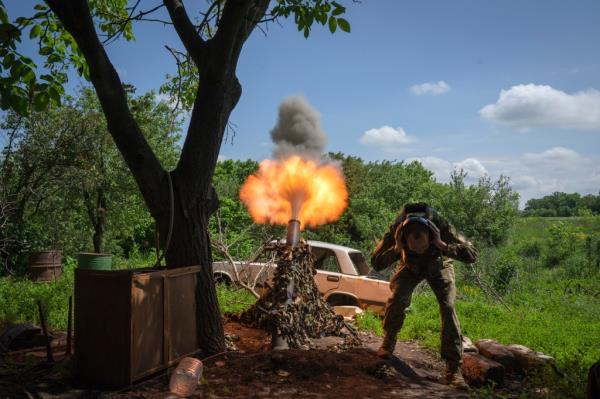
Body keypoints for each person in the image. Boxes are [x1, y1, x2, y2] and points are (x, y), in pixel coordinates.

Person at [371, 202, 478, 387]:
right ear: (404, 239)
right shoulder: (397, 228)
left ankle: (453, 369)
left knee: (448, 306)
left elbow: (472, 254)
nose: (419, 250)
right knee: (397, 298)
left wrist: (442, 245)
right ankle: (389, 340)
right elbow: (376, 262)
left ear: (431, 234)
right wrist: (397, 248)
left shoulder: (442, 226)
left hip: (438, 263)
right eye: (415, 247)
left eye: (422, 247)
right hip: (408, 264)